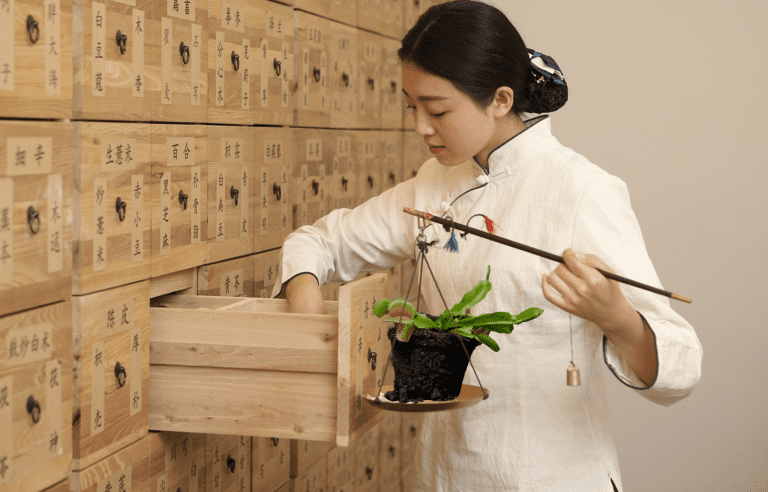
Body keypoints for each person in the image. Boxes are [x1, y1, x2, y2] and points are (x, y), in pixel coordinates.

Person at [273, 1, 703, 490]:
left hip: (554, 477)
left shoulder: (582, 191)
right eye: (411, 107)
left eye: (437, 110)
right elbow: (321, 243)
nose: (420, 127)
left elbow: (682, 366)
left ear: (500, 99)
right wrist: (306, 316)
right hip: (445, 474)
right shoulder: (433, 184)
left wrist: (617, 317)